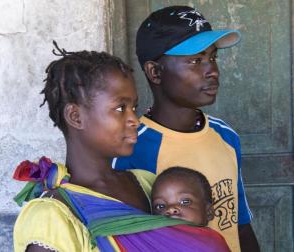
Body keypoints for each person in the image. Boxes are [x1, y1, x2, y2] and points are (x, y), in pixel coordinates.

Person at [13, 42, 231, 252]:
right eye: (120, 108)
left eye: (133, 107)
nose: (134, 119)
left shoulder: (147, 184)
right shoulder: (51, 216)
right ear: (75, 116)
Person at [113, 5, 260, 252]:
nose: (212, 70)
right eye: (196, 60)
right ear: (155, 72)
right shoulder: (131, 148)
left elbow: (240, 226)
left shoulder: (226, 136)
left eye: (212, 57)